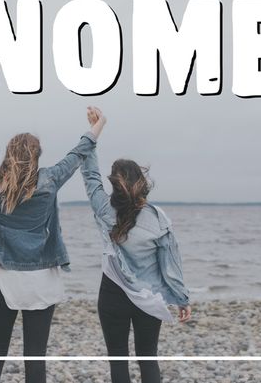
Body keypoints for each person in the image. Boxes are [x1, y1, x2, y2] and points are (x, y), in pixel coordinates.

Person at [0, 98, 106, 383]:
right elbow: (79, 153)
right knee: (35, 356)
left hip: (4, 277)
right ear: (37, 157)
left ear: (8, 154)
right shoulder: (50, 180)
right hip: (42, 279)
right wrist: (98, 124)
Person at [80, 106, 191, 383]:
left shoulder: (104, 209)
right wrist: (181, 297)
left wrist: (95, 130)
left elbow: (89, 173)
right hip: (149, 298)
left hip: (112, 295)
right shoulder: (158, 218)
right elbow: (170, 264)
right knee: (148, 358)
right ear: (141, 183)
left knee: (118, 361)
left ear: (114, 185)